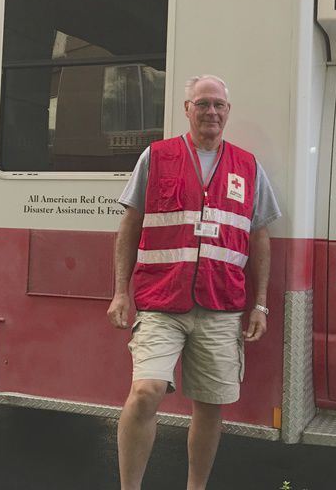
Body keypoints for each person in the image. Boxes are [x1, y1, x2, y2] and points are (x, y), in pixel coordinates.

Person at [107, 74, 281, 490]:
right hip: (161, 302)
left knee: (209, 407)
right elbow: (130, 224)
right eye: (202, 103)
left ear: (228, 111)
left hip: (221, 306)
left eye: (218, 105)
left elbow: (259, 236)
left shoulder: (247, 166)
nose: (211, 112)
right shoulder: (157, 157)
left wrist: (260, 304)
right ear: (187, 109)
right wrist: (119, 291)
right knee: (146, 391)